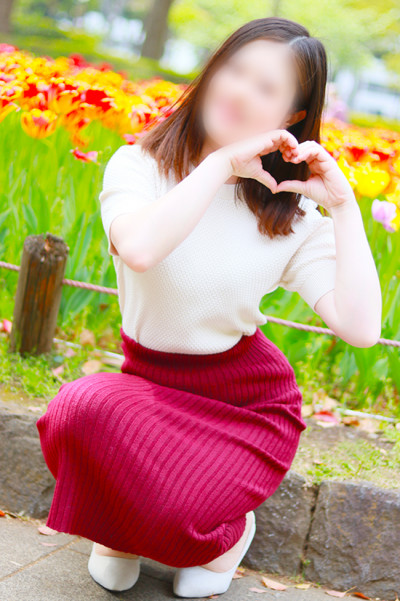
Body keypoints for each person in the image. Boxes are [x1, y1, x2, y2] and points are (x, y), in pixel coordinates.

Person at [36, 16, 382, 599]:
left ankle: (226, 539)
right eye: (235, 70)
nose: (240, 91)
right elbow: (140, 249)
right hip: (148, 386)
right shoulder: (139, 167)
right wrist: (219, 165)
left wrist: (345, 209)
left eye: (266, 88)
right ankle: (117, 536)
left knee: (181, 518)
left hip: (244, 406)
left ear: (292, 115)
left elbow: (361, 328)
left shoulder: (285, 215)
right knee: (80, 409)